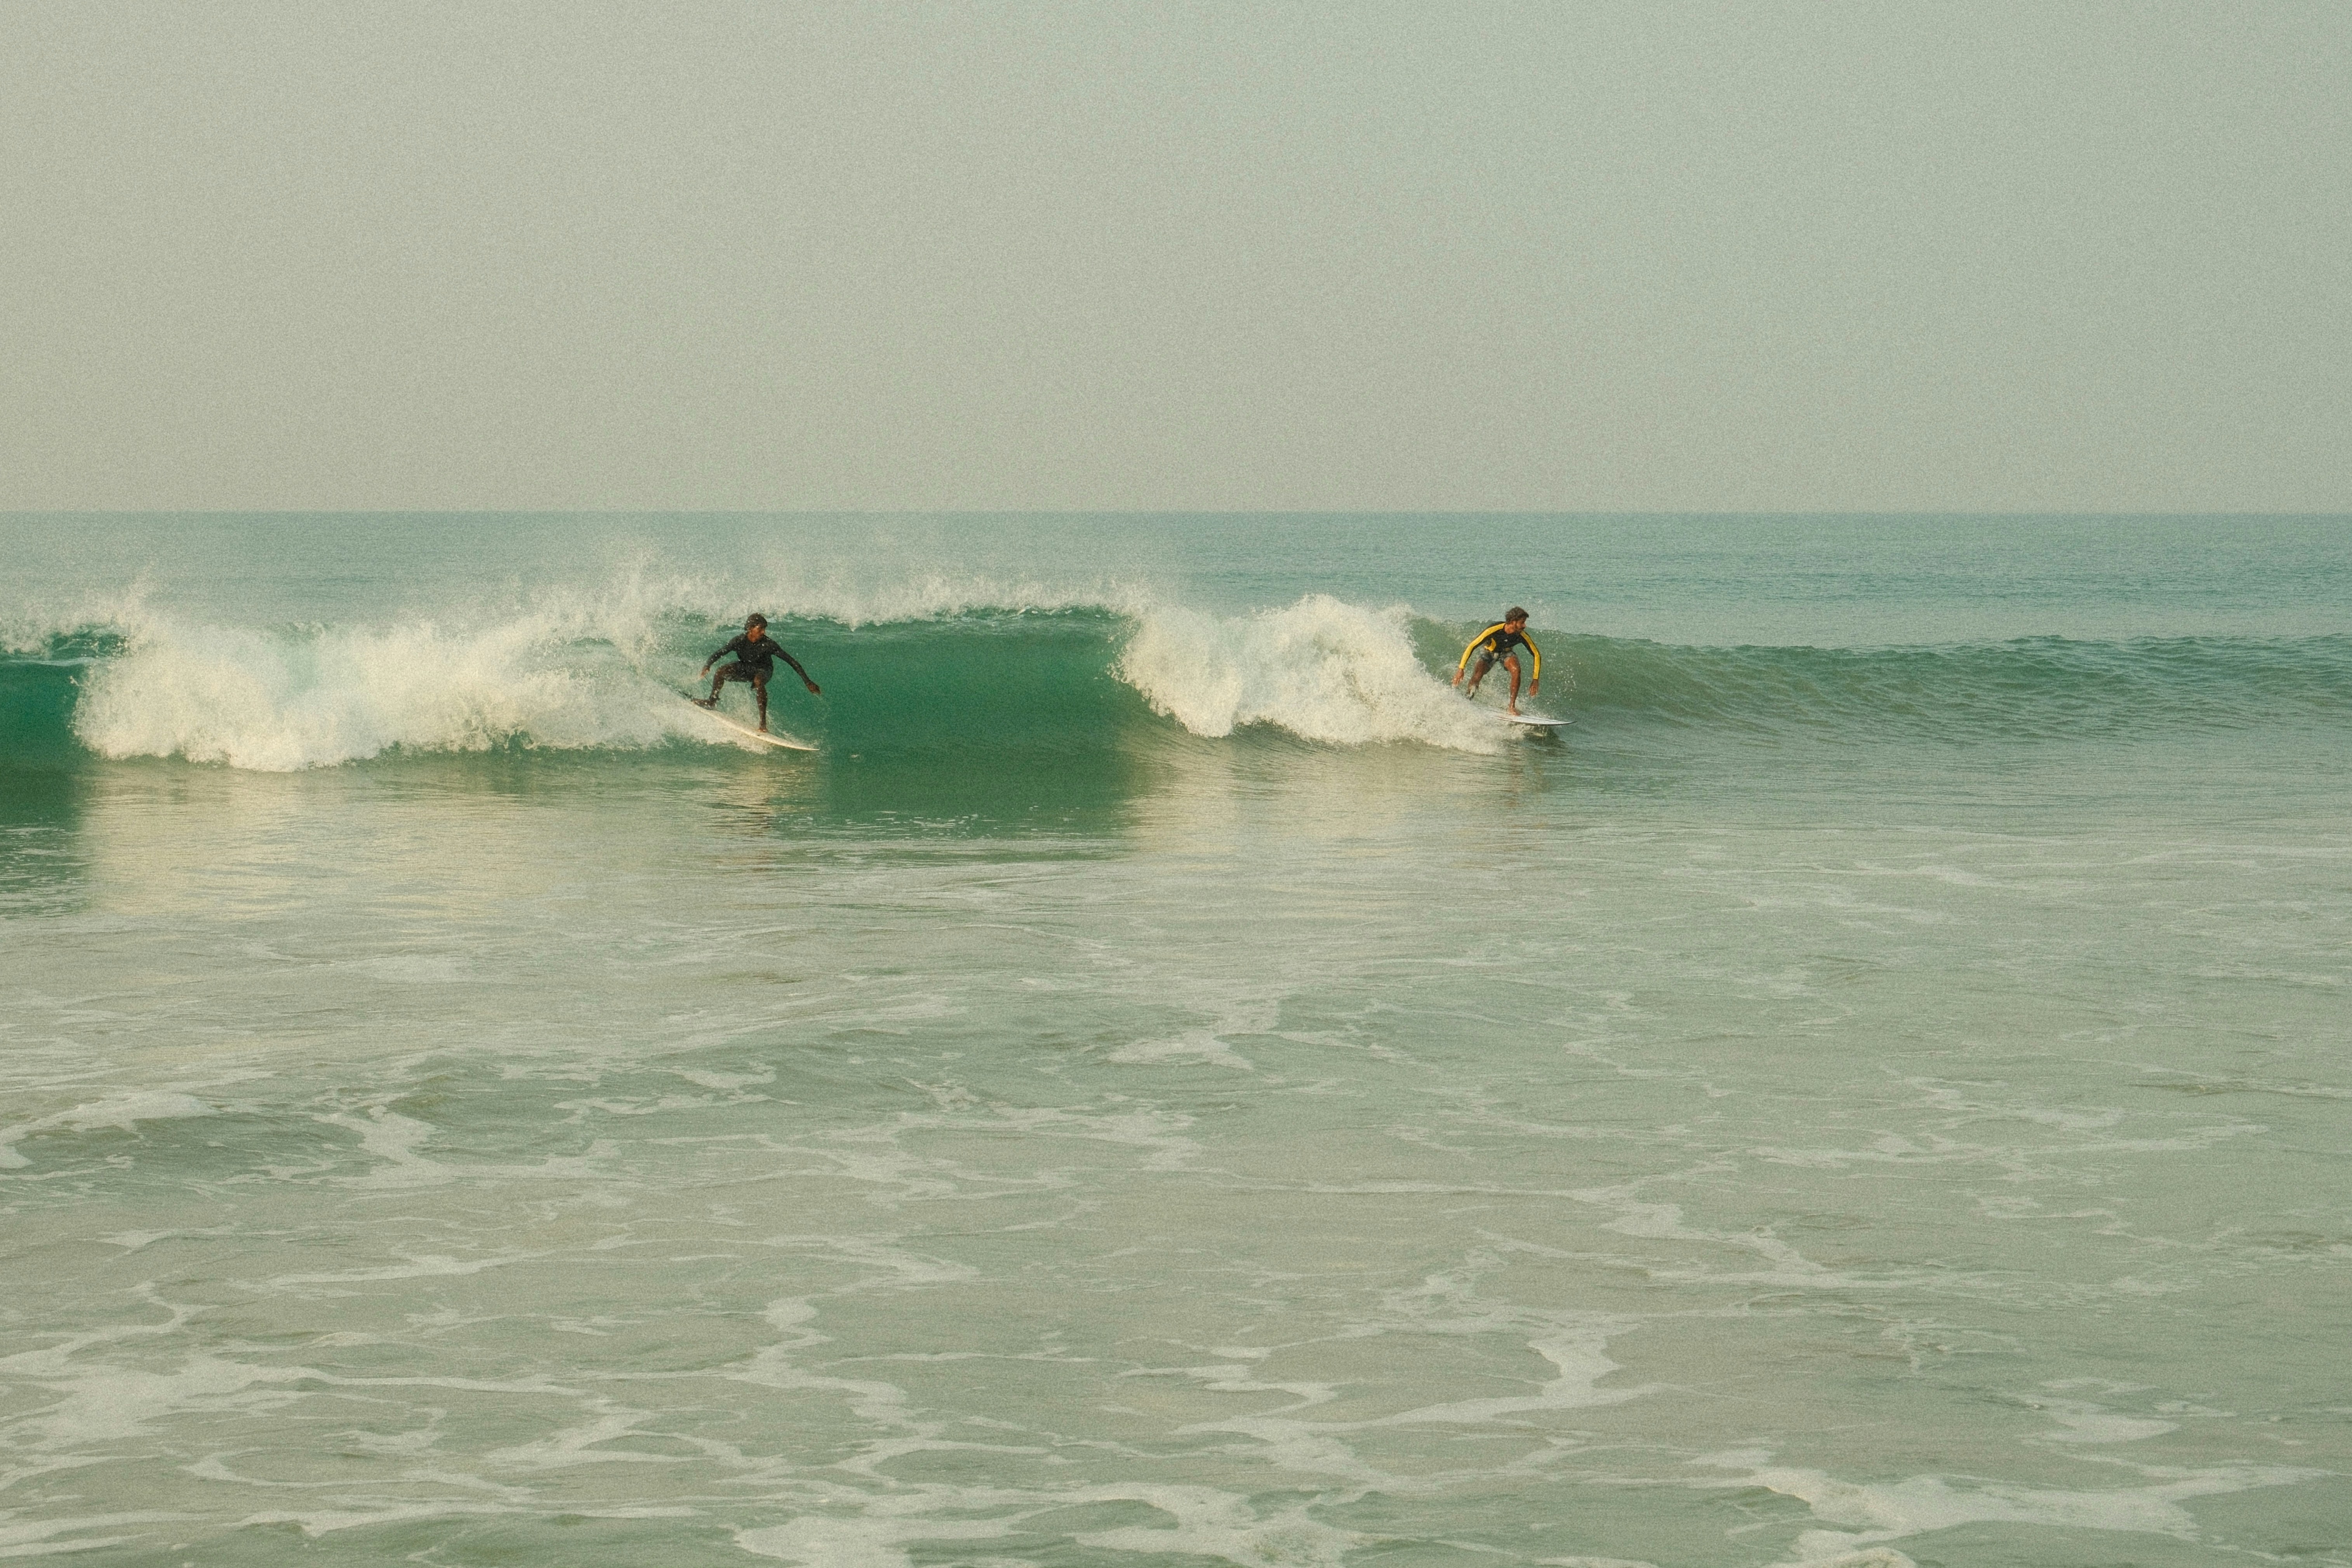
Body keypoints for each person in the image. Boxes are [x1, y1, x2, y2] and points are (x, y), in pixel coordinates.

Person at [695, 614, 819, 733]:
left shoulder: (769, 644)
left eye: (765, 629)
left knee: (759, 681)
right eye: (761, 629)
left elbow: (792, 661)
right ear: (751, 628)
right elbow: (720, 652)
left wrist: (807, 681)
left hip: (764, 670)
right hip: (746, 667)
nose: (764, 632)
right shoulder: (739, 641)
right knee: (721, 671)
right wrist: (708, 665)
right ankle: (712, 701)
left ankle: (763, 724)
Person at [1453, 608, 1540, 715]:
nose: (1525, 626)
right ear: (1513, 621)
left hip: (1507, 653)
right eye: (1522, 622)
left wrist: (1535, 679)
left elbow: (1536, 654)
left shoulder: (1522, 635)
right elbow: (1472, 646)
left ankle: (1512, 707)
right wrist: (1461, 669)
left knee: (1516, 671)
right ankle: (1468, 700)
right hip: (1489, 652)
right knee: (1478, 675)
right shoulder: (1494, 629)